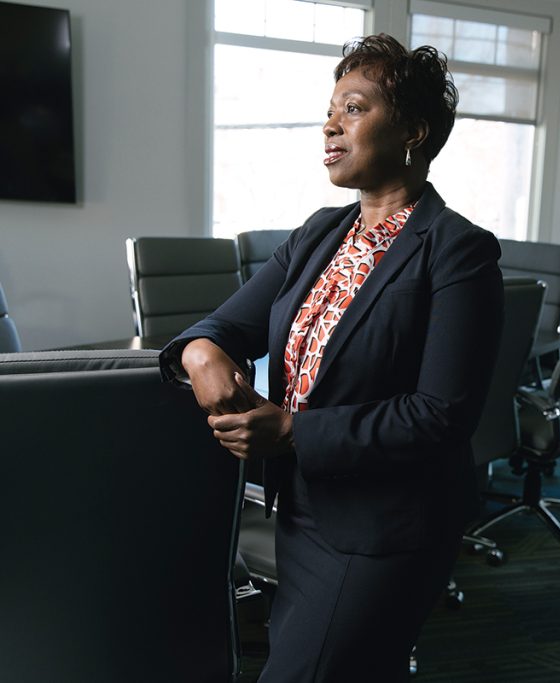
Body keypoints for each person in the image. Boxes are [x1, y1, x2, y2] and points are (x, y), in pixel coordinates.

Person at [160, 33, 503, 682]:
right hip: (301, 506)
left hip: (384, 528)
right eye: (330, 109)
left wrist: (293, 431)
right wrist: (202, 352)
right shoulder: (320, 230)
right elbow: (226, 324)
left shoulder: (458, 250)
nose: (329, 124)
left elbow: (442, 415)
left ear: (413, 131)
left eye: (354, 108)